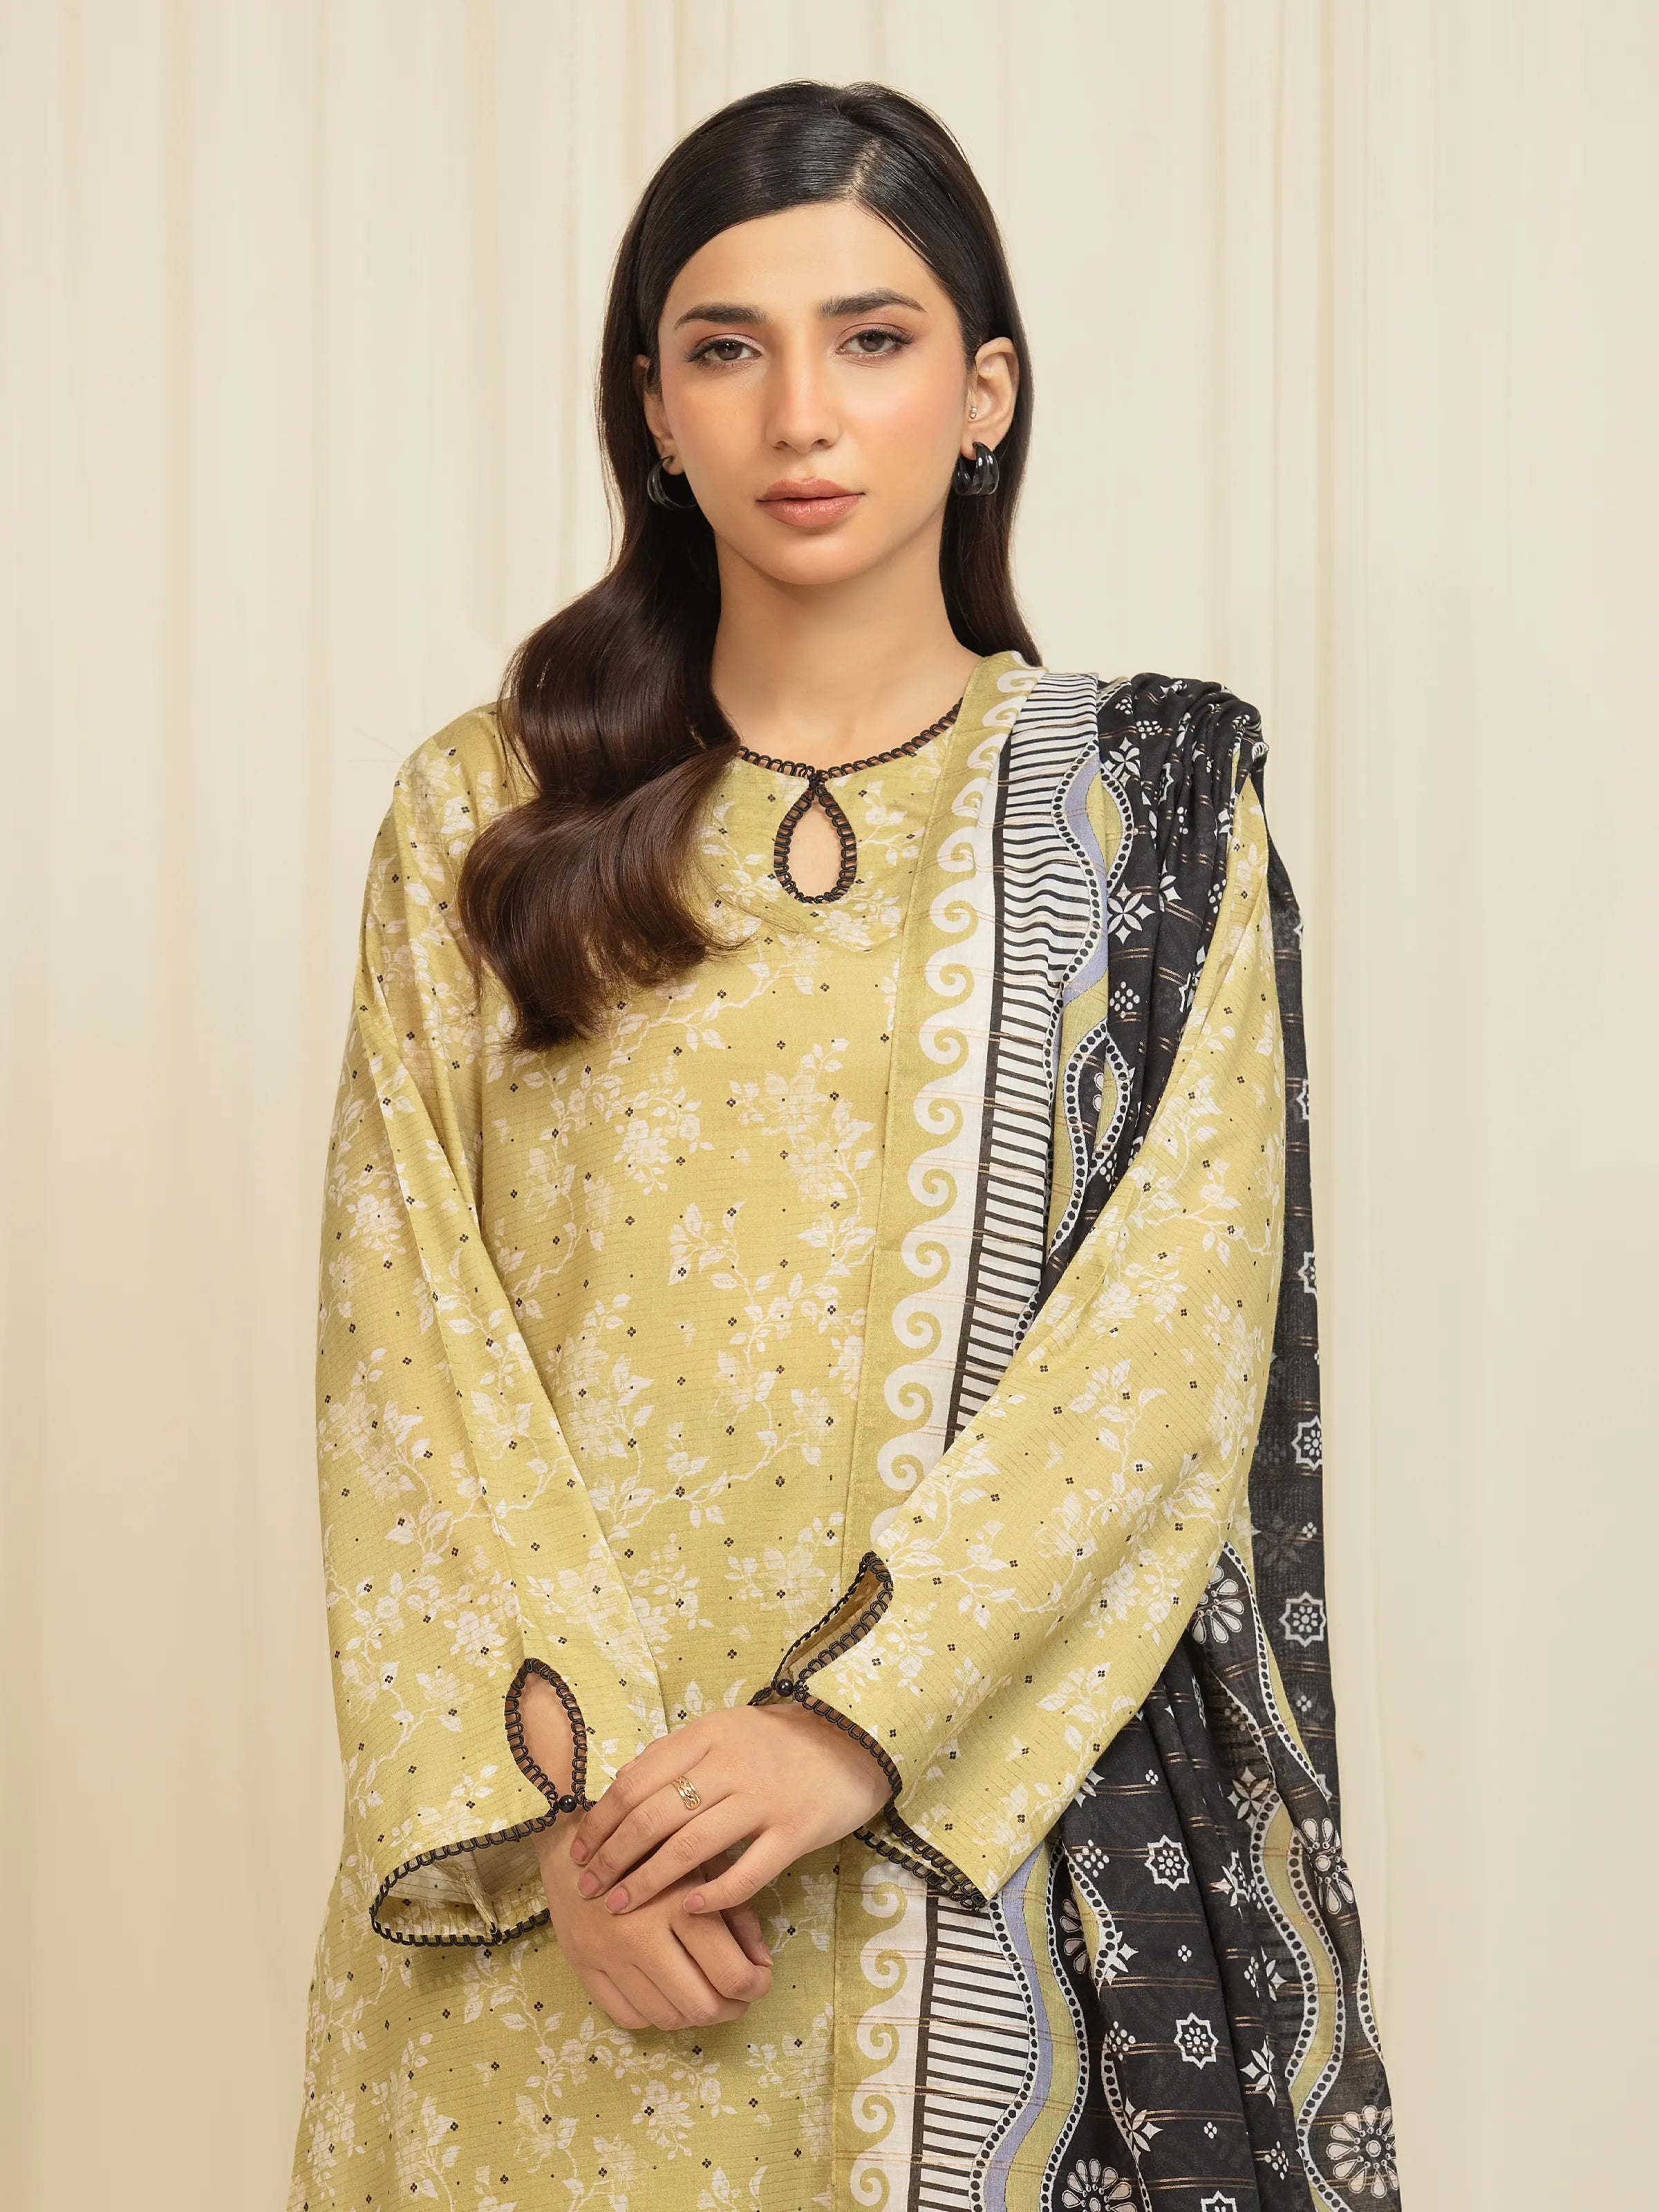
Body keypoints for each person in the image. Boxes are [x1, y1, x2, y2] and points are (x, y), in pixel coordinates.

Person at [289, 77, 1398, 2212]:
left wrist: (841, 1731)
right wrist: (577, 1825)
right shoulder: (488, 818)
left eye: (873, 340)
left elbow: (1167, 1353)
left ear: (985, 395)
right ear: (655, 411)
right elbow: (400, 1355)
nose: (802, 413)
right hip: (567, 1921)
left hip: (970, 1863)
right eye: (729, 348)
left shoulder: (1137, 818)